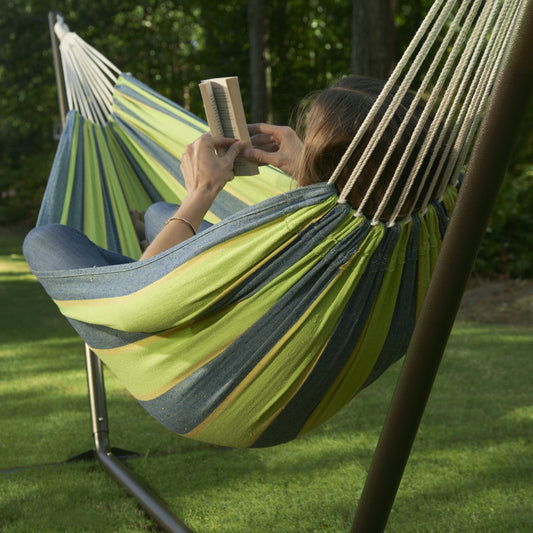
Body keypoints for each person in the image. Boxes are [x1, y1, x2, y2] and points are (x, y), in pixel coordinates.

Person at [140, 75, 441, 260]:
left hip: (243, 322)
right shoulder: (424, 217)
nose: (304, 144)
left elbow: (136, 301)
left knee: (147, 223)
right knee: (157, 213)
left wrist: (201, 190)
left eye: (310, 143)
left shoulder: (305, 236)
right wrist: (309, 170)